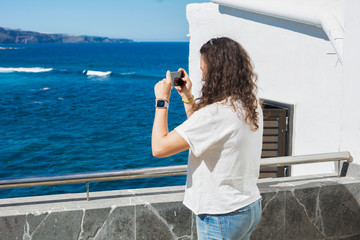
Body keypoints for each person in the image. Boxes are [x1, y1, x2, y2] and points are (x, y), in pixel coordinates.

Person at [152, 37, 263, 240]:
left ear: (217, 74)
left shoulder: (216, 114)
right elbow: (206, 132)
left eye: (205, 71)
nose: (203, 78)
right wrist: (187, 96)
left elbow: (159, 147)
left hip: (222, 215)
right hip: (248, 206)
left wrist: (162, 100)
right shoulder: (250, 104)